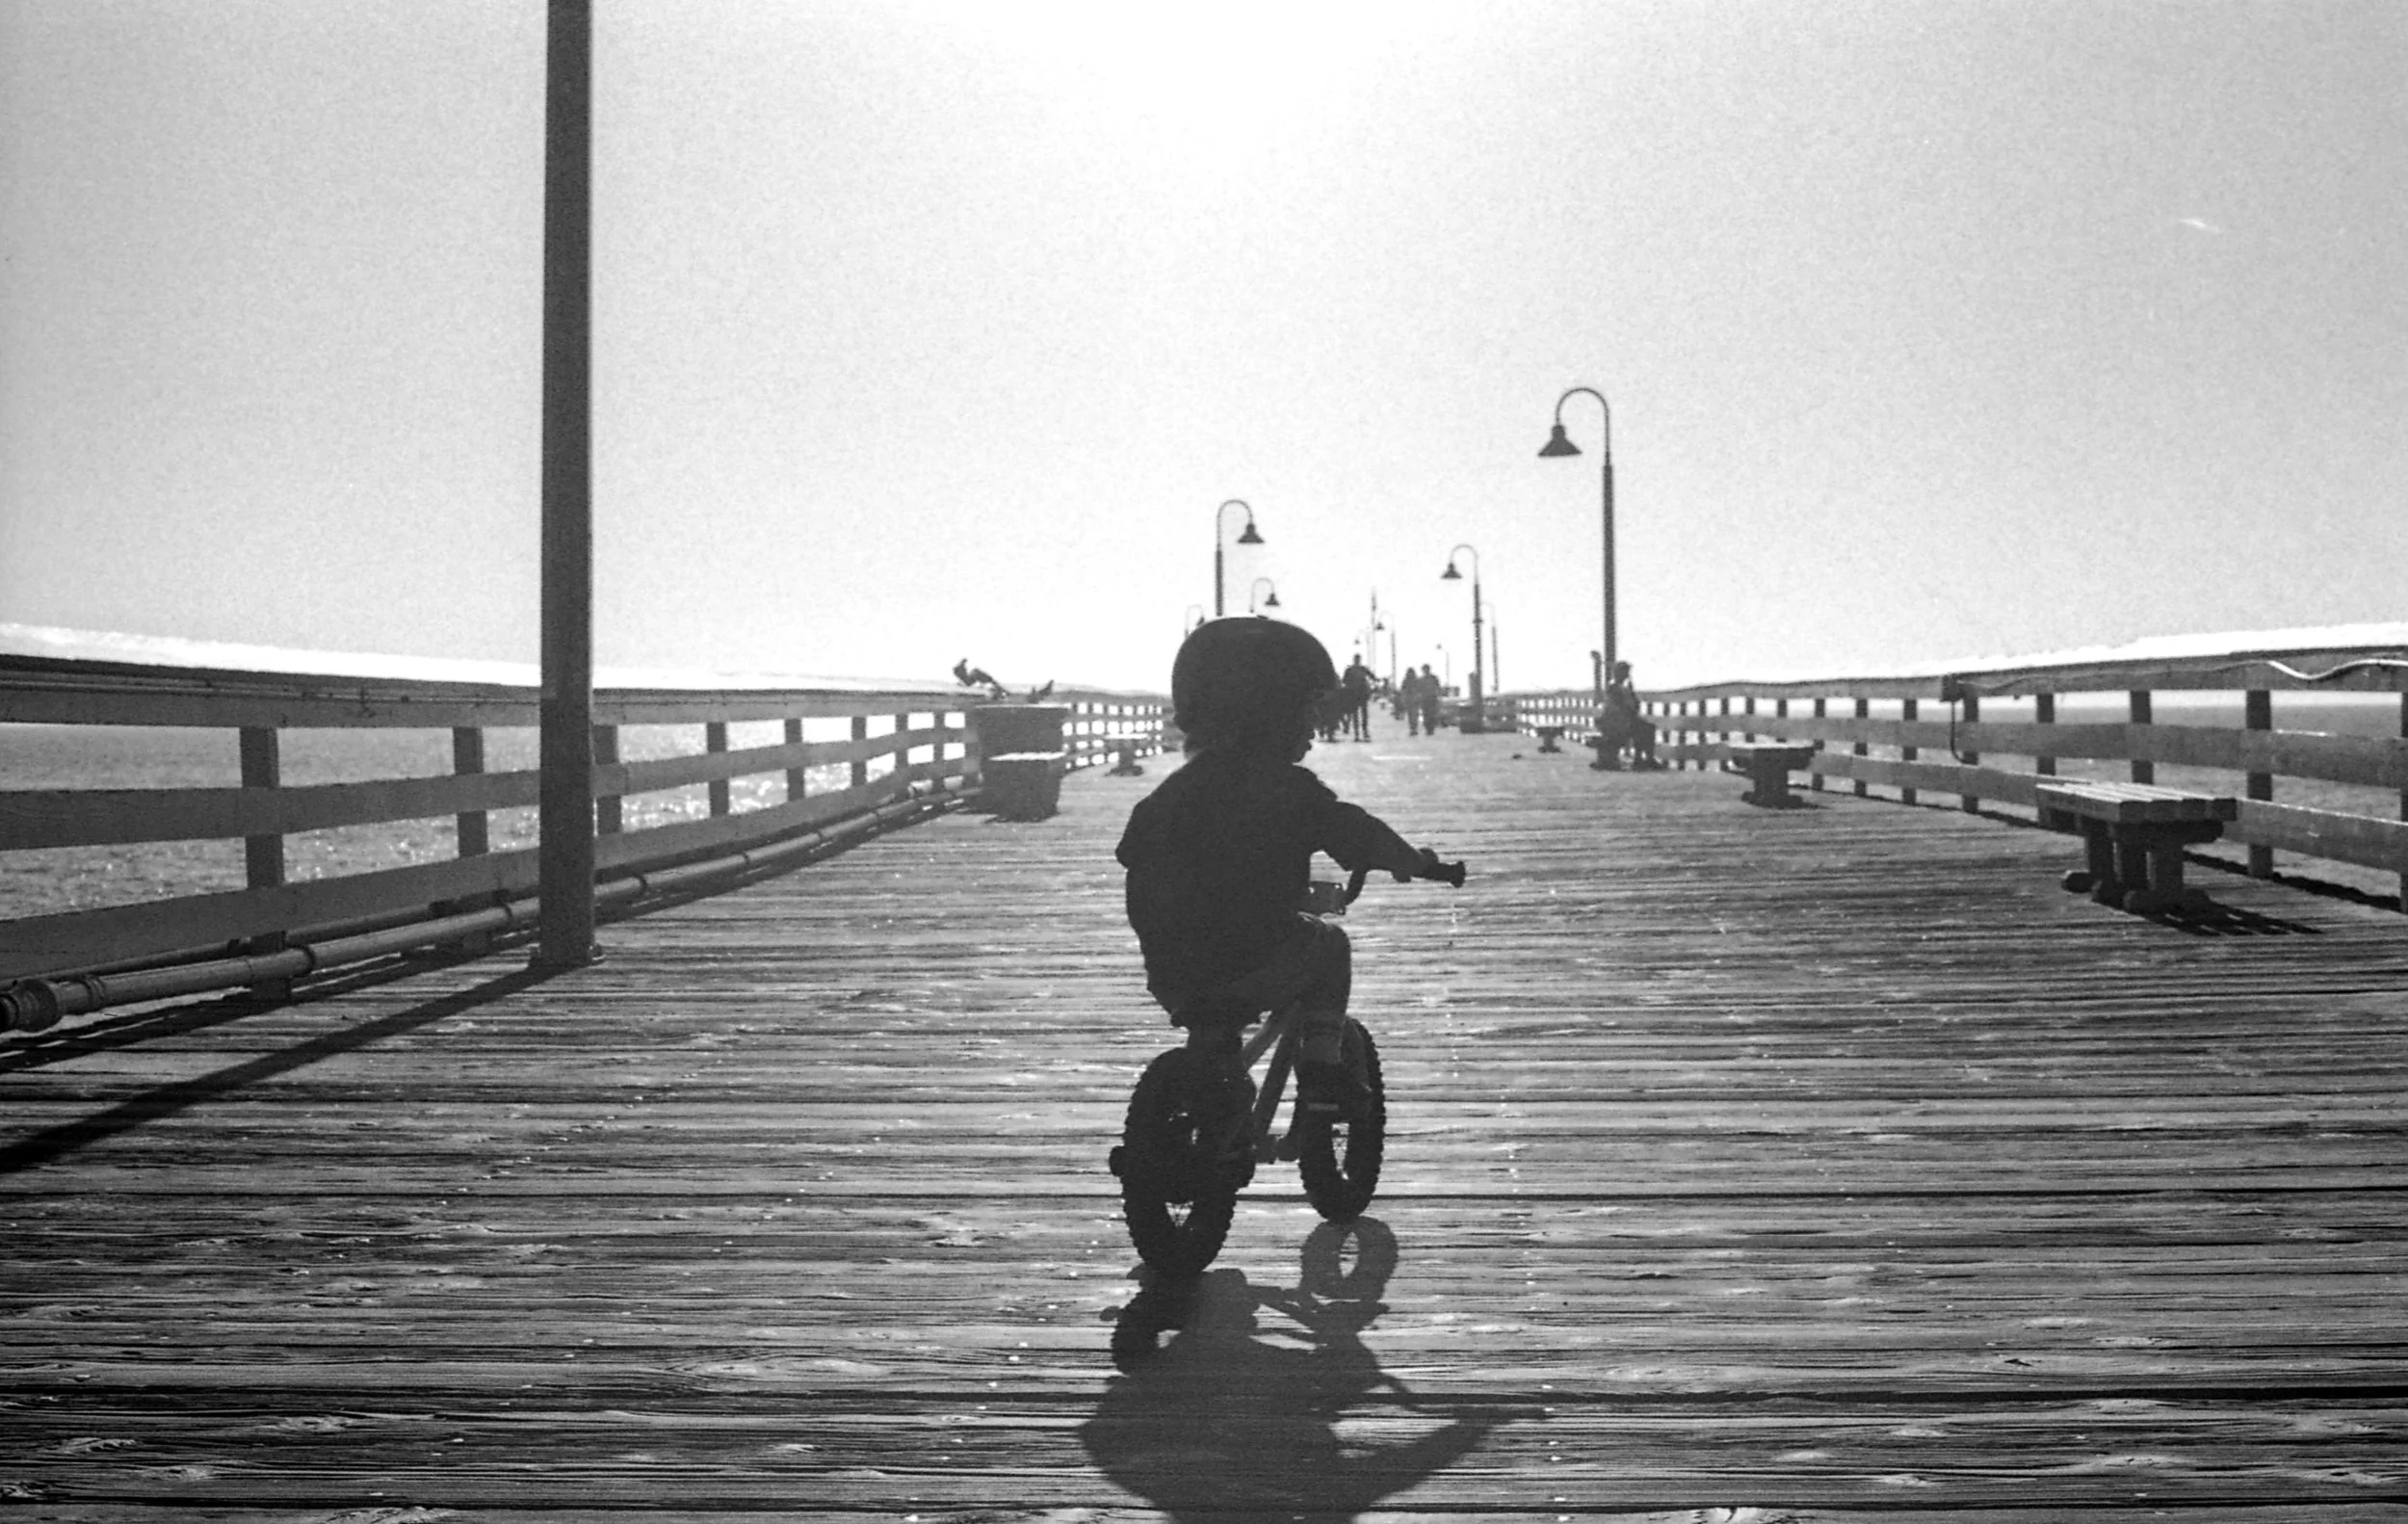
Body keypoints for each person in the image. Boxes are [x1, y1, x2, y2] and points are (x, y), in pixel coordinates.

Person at [1116, 618, 1442, 1116]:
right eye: (1306, 710)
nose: (1314, 726)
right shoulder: (1290, 791)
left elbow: (1137, 855)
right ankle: (1320, 1074)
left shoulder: (1168, 796)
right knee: (1329, 945)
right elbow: (1357, 832)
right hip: (1252, 960)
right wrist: (1416, 862)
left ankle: (1201, 1107)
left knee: (1218, 1010)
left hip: (1172, 969)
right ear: (1272, 715)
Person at [1594, 659, 1661, 770]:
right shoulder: (1613, 687)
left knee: (1646, 727)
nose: (1626, 675)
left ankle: (1641, 759)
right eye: (1624, 672)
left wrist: (1631, 690)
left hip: (1622, 721)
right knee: (1644, 728)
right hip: (1614, 723)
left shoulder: (1624, 688)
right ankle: (1644, 759)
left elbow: (1635, 706)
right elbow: (1625, 708)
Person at [1341, 653, 1375, 742]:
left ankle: (1358, 734)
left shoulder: (1350, 670)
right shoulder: (1362, 669)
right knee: (1362, 715)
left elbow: (1344, 681)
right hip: (1360, 695)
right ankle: (1363, 733)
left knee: (1356, 715)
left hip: (1355, 695)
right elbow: (1372, 677)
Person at [1415, 664, 1442, 737]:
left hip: (1432, 698)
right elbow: (1418, 689)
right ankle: (1428, 729)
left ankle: (1431, 729)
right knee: (1426, 714)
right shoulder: (1420, 679)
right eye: (1424, 669)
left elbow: (1438, 687)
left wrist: (1439, 696)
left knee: (1432, 714)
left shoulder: (1434, 678)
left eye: (1426, 669)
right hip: (1424, 699)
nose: (1425, 671)